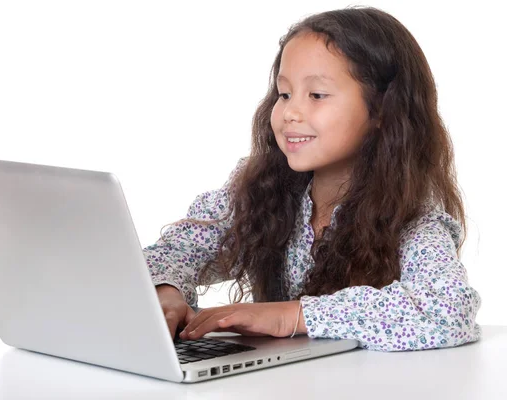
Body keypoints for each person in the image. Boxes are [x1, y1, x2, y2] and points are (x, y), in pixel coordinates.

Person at [142, 6, 481, 352]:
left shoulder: (413, 220)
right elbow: (179, 248)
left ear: (381, 111)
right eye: (284, 94)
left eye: (317, 95)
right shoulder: (262, 191)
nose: (290, 112)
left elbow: (448, 310)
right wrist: (165, 290)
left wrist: (291, 316)